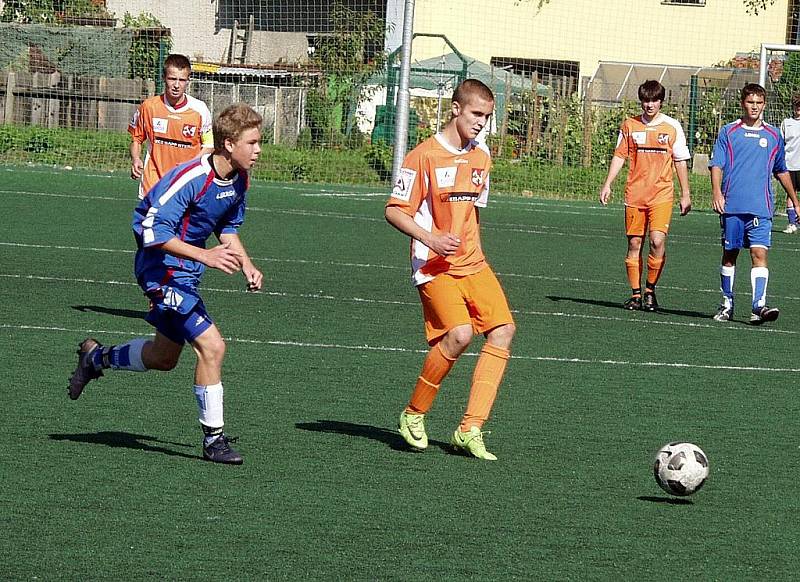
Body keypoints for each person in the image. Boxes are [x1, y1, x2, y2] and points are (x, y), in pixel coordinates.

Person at [68, 103, 264, 465]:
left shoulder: (238, 177)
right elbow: (149, 229)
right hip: (160, 270)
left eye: (258, 142)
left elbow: (227, 227)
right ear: (227, 144)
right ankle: (214, 440)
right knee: (212, 346)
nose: (258, 150)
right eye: (251, 142)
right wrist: (205, 256)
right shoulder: (191, 177)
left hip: (185, 272)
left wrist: (247, 264)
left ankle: (96, 358)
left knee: (163, 358)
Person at [385, 79, 516, 461]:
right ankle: (414, 414)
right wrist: (431, 238)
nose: (481, 123)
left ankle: (470, 428)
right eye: (476, 114)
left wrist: (473, 251)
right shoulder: (423, 156)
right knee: (459, 335)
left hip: (472, 263)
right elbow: (394, 210)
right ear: (455, 108)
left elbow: (472, 210)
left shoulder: (481, 157)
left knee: (504, 330)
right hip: (433, 264)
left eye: (487, 117)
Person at [710, 83, 800, 324]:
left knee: (759, 253)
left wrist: (795, 200)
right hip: (732, 207)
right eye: (751, 102)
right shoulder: (729, 132)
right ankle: (726, 304)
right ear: (743, 103)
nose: (755, 107)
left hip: (761, 207)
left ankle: (758, 306)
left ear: (764, 105)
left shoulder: (773, 136)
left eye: (759, 103)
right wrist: (717, 192)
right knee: (730, 255)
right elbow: (716, 164)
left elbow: (781, 170)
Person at [599, 79, 692, 312]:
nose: (650, 105)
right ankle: (636, 294)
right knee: (634, 243)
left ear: (661, 101)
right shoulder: (630, 126)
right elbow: (620, 155)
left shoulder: (672, 127)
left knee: (657, 240)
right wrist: (608, 184)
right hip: (635, 194)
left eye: (654, 100)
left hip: (662, 194)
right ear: (641, 101)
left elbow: (680, 160)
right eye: (646, 100)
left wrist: (686, 193)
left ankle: (650, 290)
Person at [129, 53, 214, 200]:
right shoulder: (149, 107)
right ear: (164, 78)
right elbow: (137, 138)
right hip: (153, 182)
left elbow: (209, 145)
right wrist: (136, 158)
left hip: (186, 183)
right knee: (152, 223)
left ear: (188, 81)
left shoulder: (200, 110)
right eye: (172, 79)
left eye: (182, 80)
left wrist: (191, 165)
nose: (176, 85)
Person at [779, 93, 800, 233]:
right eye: (797, 106)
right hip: (790, 164)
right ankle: (792, 223)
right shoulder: (787, 123)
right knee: (791, 193)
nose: (799, 109)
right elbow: (781, 143)